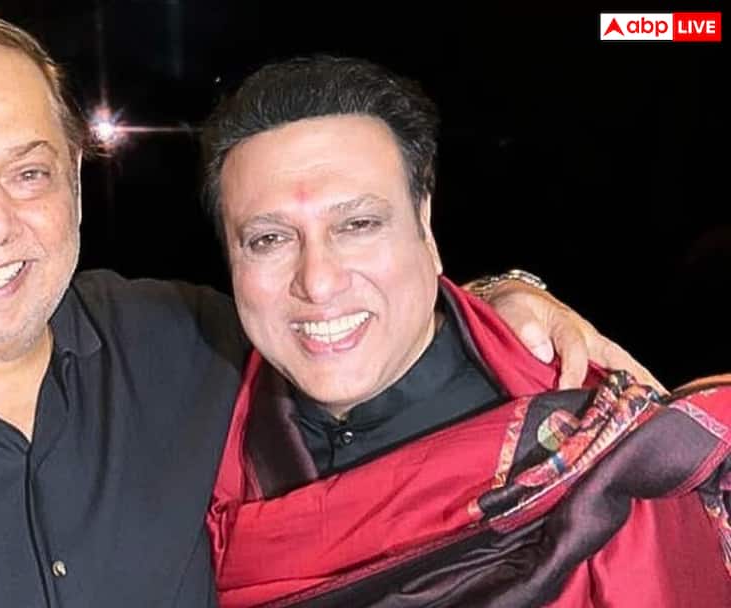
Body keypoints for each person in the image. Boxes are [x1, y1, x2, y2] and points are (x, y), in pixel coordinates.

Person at [0, 9, 659, 606]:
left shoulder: (185, 342)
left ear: (75, 186)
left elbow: (344, 322)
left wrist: (502, 295)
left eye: (29, 173)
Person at [202, 56, 731, 607]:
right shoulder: (202, 429)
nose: (317, 281)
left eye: (358, 225)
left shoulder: (594, 448)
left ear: (425, 228)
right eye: (268, 240)